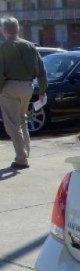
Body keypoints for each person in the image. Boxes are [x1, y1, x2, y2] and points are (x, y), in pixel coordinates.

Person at [0, 17, 47, 169]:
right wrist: (42, 90)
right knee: (22, 119)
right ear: (18, 29)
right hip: (28, 86)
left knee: (12, 125)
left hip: (9, 86)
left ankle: (21, 158)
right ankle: (25, 152)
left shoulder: (3, 47)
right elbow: (42, 70)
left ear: (4, 30)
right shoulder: (30, 46)